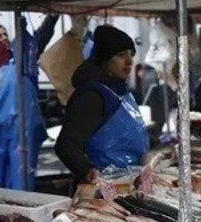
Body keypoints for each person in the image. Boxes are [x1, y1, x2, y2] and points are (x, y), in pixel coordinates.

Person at [0, 15, 59, 190]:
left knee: (22, 179)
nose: (4, 38)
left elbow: (41, 38)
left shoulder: (25, 60)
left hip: (25, 132)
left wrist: (52, 17)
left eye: (5, 34)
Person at [55, 25, 149, 186]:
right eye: (121, 55)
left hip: (130, 183)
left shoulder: (120, 91)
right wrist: (87, 171)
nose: (129, 61)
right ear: (105, 60)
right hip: (103, 188)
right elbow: (66, 144)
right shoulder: (93, 96)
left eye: (131, 54)